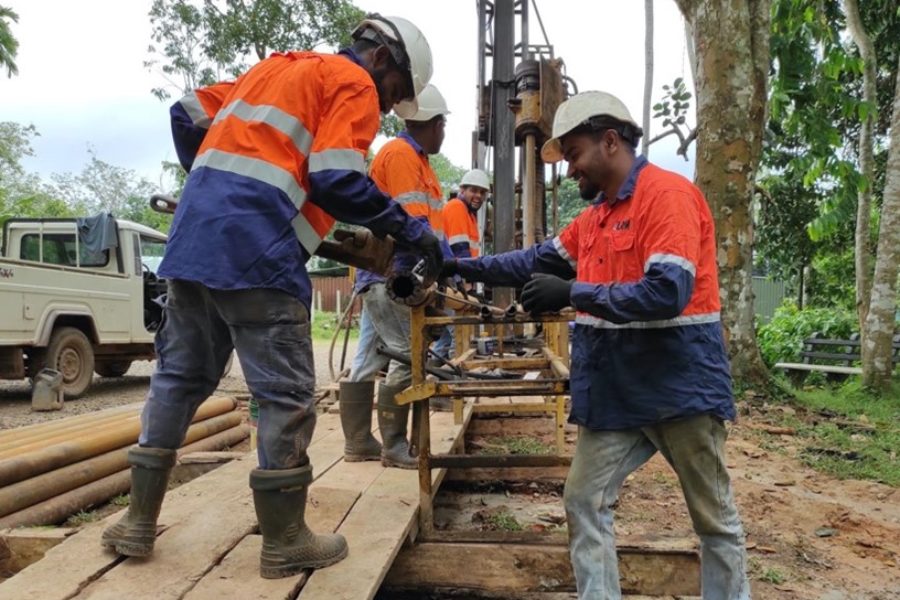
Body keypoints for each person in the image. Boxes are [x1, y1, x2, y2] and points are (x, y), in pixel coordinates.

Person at [100, 14, 441, 579]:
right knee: (284, 395)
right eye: (395, 95)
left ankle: (136, 521)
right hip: (258, 250)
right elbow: (336, 177)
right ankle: (285, 540)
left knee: (179, 380)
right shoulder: (351, 81)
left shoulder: (269, 71)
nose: (384, 110)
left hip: (193, 241)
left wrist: (217, 190)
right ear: (382, 59)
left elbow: (186, 114)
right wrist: (411, 230)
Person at [442, 91, 750, 599]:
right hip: (619, 393)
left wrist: (573, 291)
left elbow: (667, 292)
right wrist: (460, 265)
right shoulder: (596, 218)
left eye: (574, 155)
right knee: (583, 500)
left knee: (713, 520)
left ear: (610, 141)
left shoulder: (666, 196)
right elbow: (533, 260)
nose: (570, 172)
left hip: (680, 390)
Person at [341, 83, 454, 469]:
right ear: (434, 122)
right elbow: (415, 226)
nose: (444, 133)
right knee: (406, 354)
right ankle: (393, 445)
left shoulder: (419, 161)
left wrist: (449, 264)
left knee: (369, 359)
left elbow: (434, 232)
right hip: (393, 276)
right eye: (443, 125)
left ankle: (358, 442)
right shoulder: (402, 155)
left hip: (382, 275)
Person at [432, 168, 490, 359]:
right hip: (450, 282)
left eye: (482, 192)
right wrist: (467, 288)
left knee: (446, 337)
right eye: (473, 190)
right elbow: (460, 252)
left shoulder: (469, 215)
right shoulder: (456, 207)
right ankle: (456, 377)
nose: (478, 196)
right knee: (459, 333)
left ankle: (435, 371)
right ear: (462, 190)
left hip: (452, 280)